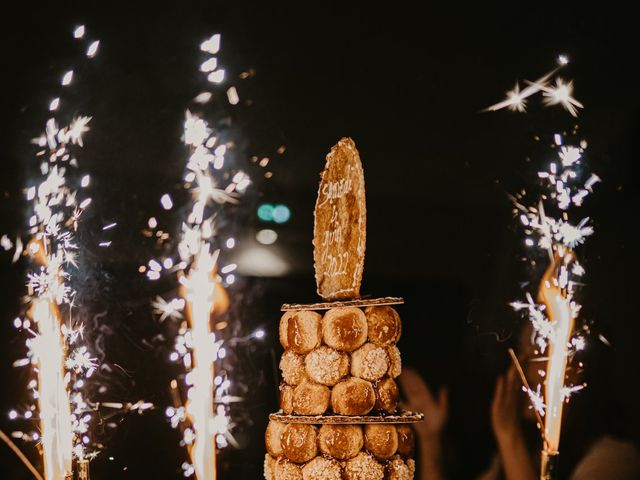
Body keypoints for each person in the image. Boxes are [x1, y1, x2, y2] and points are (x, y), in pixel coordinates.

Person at [399, 323, 640, 480]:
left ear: (576, 371)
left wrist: (509, 435)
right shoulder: (524, 449)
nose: (519, 367)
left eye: (536, 353)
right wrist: (431, 440)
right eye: (520, 352)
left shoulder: (616, 459)